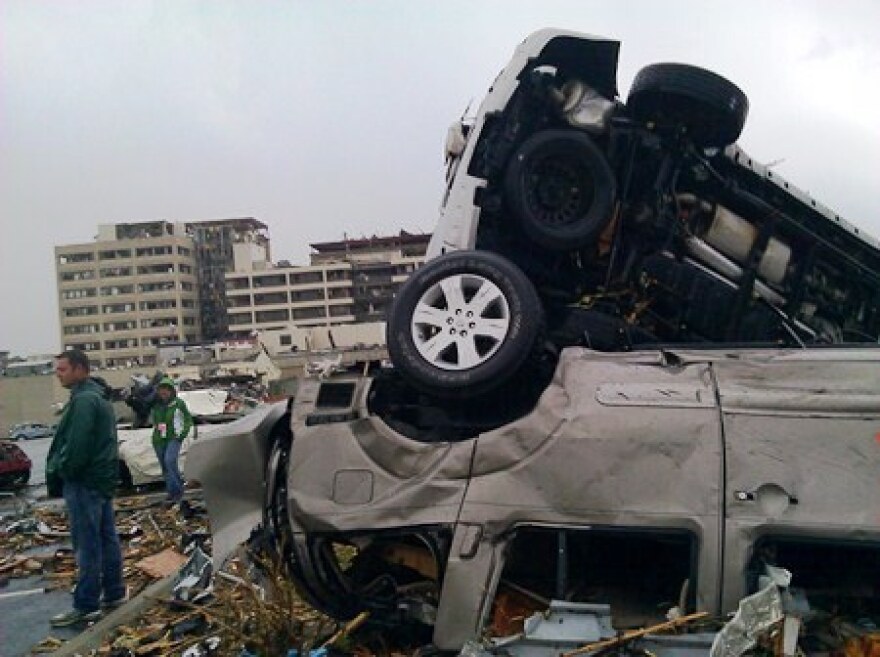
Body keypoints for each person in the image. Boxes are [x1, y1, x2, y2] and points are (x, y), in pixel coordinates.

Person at [47, 349, 126, 626]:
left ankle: (86, 605)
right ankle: (115, 593)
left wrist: (63, 470)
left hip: (84, 482)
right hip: (100, 481)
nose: (58, 374)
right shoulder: (98, 398)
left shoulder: (84, 401)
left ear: (80, 369)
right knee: (107, 539)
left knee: (87, 545)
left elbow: (77, 447)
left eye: (62, 369)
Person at [151, 376, 193, 505]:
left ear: (172, 391)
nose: (164, 392)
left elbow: (188, 420)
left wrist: (181, 434)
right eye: (161, 389)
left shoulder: (179, 403)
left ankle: (177, 492)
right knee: (165, 467)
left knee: (170, 461)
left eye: (167, 389)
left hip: (174, 438)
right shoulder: (156, 405)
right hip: (159, 439)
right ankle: (172, 492)